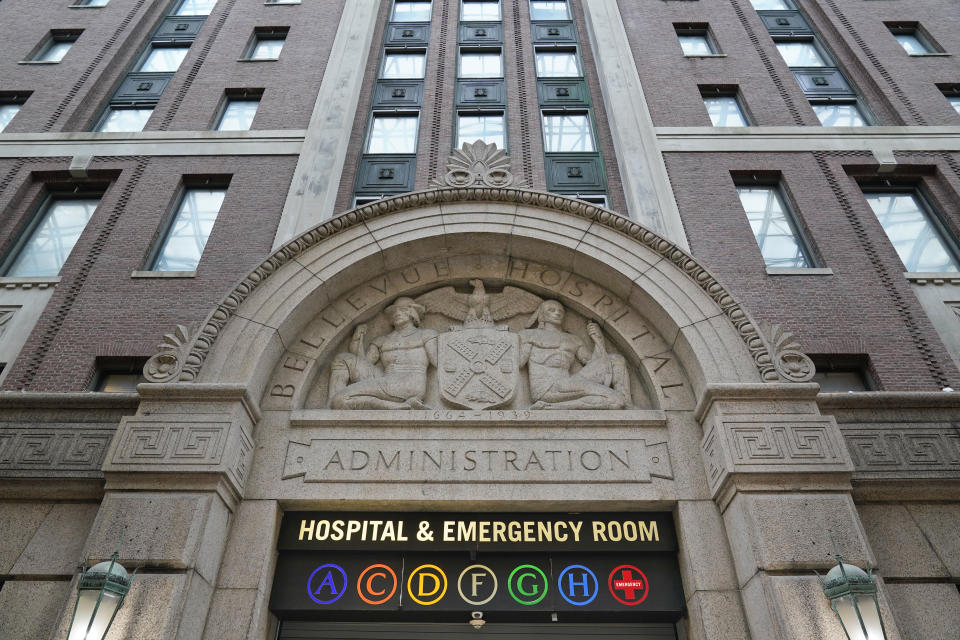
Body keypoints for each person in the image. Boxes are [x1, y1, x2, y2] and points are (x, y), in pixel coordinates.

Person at [328, 297, 438, 410]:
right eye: (394, 311)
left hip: (410, 383)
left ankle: (398, 405)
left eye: (403, 310)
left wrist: (455, 338)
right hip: (385, 379)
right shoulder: (382, 340)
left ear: (413, 313)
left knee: (340, 400)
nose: (397, 313)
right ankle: (400, 406)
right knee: (342, 359)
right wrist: (356, 339)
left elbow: (438, 362)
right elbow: (364, 363)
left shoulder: (426, 335)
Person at [518, 300, 630, 410]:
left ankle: (628, 404)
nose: (557, 313)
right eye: (551, 310)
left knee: (616, 360)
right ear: (541, 315)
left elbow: (593, 364)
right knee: (616, 400)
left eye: (560, 311)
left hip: (569, 382)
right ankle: (550, 406)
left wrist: (599, 340)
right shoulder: (529, 335)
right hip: (547, 388)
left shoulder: (573, 339)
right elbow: (518, 363)